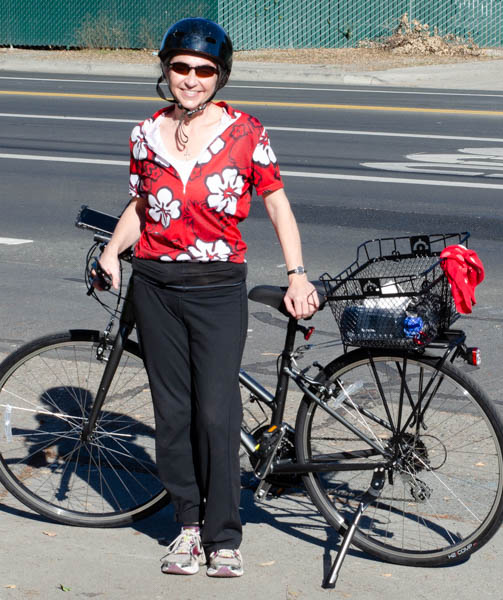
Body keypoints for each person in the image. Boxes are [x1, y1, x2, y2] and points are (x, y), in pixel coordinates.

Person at [97, 17, 319, 578]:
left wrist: (297, 274)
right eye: (181, 67)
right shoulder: (145, 133)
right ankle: (188, 527)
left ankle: (225, 535)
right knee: (173, 413)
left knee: (216, 412)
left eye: (204, 70)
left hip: (218, 288)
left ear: (220, 75)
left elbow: (276, 203)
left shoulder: (246, 132)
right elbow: (142, 205)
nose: (191, 79)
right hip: (155, 285)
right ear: (165, 69)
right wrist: (112, 251)